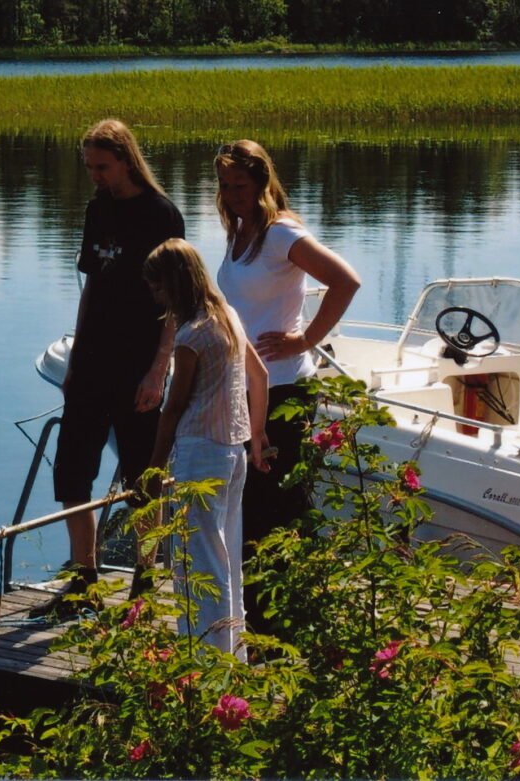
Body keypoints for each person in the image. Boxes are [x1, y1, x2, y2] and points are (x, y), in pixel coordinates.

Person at [30, 119, 185, 619]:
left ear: (125, 159)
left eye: (101, 166)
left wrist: (160, 366)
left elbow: (178, 301)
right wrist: (75, 359)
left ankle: (145, 583)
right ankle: (83, 581)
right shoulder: (97, 210)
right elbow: (92, 285)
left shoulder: (161, 215)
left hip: (139, 360)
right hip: (93, 360)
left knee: (144, 477)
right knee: (72, 470)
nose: (94, 175)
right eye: (89, 167)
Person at [214, 139, 361, 631]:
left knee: (272, 505)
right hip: (247, 386)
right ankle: (263, 618)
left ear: (262, 181)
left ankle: (279, 623)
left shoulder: (280, 233)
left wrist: (305, 339)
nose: (233, 193)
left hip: (281, 391)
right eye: (226, 184)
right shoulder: (241, 232)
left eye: (242, 184)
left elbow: (345, 281)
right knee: (255, 504)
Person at [143, 238, 270, 658]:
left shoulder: (192, 333)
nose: (156, 297)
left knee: (195, 562)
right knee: (226, 557)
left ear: (177, 284)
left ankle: (206, 659)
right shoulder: (229, 317)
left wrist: (156, 468)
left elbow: (173, 406)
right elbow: (261, 376)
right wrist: (256, 435)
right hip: (234, 451)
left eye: (159, 288)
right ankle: (233, 654)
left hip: (200, 453)